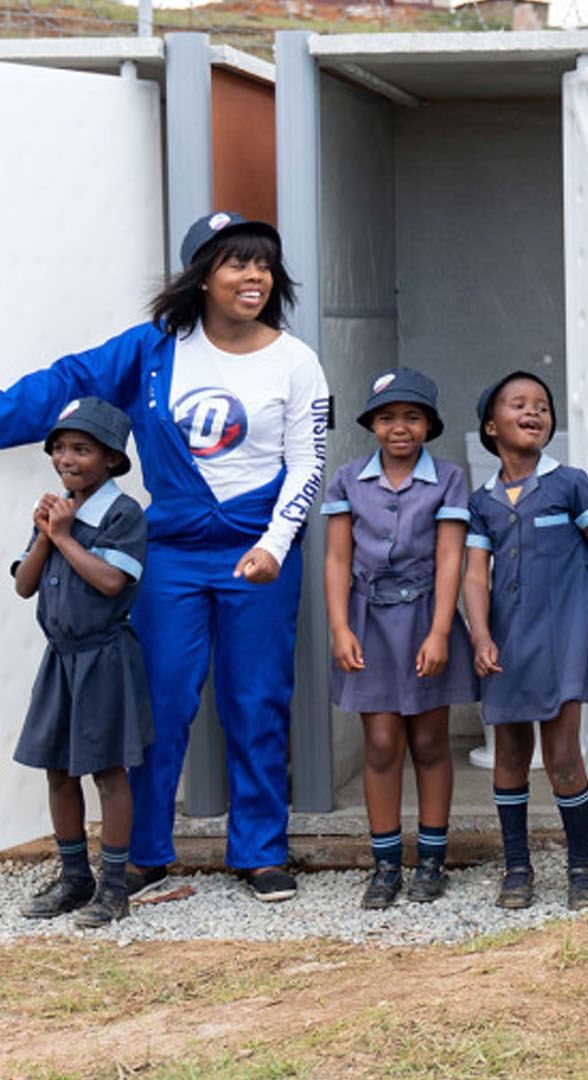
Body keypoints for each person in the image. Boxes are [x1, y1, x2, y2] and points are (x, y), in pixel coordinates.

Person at [0, 211, 328, 903]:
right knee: (157, 699)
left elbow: (307, 465)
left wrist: (274, 545)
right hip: (171, 553)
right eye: (237, 263)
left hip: (259, 553)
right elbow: (66, 383)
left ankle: (261, 849)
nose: (255, 277)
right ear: (202, 275)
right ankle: (141, 850)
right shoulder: (154, 348)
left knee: (257, 699)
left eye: (263, 264)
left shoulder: (296, 360)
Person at [464, 371, 588, 911]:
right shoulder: (483, 502)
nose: (534, 412)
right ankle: (517, 868)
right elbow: (474, 575)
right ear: (492, 427)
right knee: (511, 753)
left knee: (563, 756)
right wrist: (480, 635)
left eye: (542, 405)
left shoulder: (570, 484)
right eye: (519, 404)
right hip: (506, 646)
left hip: (560, 642)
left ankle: (581, 868)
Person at [322, 368, 478, 909]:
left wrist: (441, 631)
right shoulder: (347, 479)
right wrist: (340, 626)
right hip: (367, 622)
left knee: (430, 741)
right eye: (387, 417)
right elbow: (338, 556)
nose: (399, 428)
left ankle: (431, 861)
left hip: (425, 620)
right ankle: (386, 864)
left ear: (429, 424)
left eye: (412, 417)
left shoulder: (449, 478)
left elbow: (451, 555)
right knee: (383, 742)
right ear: (371, 424)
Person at [11, 398, 151, 928]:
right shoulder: (58, 509)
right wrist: (48, 534)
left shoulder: (122, 513)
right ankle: (75, 878)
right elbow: (25, 585)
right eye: (60, 449)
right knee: (57, 767)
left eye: (82, 450)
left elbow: (113, 581)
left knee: (109, 771)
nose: (67, 459)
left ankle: (114, 888)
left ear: (112, 460)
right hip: (61, 660)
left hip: (104, 658)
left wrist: (66, 536)